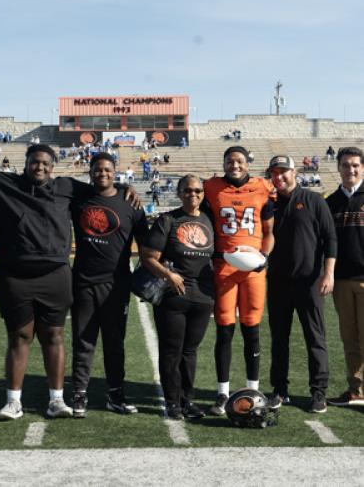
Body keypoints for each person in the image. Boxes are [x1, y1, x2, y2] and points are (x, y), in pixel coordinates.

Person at [0, 144, 139, 420]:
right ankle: (13, 401)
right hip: (15, 276)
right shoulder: (4, 183)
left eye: (46, 163)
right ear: (25, 163)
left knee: (54, 336)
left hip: (56, 275)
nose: (40, 167)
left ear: (53, 166)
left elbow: (101, 185)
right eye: (35, 162)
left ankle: (57, 400)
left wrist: (123, 187)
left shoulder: (66, 187)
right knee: (19, 337)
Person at [71, 153, 149, 417]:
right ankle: (79, 394)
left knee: (115, 342)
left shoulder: (131, 203)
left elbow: (149, 246)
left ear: (115, 172)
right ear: (90, 172)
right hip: (83, 281)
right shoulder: (78, 197)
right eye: (97, 169)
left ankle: (116, 394)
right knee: (84, 341)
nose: (102, 173)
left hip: (116, 284)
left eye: (107, 169)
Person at [204, 145, 275, 416]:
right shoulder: (211, 187)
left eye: (240, 161)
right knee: (224, 328)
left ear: (248, 163)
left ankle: (252, 389)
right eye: (230, 161)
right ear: (223, 163)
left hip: (254, 270)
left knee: (252, 328)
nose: (235, 166)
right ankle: (223, 393)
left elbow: (269, 232)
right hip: (223, 266)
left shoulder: (262, 188)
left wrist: (265, 256)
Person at [267, 155, 336, 413]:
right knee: (278, 339)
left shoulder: (314, 200)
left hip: (310, 282)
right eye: (275, 172)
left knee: (315, 338)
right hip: (277, 283)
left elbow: (330, 239)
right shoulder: (268, 205)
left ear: (294, 172)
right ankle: (279, 390)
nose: (280, 177)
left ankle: (319, 393)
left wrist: (328, 273)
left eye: (284, 172)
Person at [141, 175, 214, 419]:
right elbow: (149, 257)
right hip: (173, 296)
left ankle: (187, 401)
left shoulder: (209, 219)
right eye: (187, 190)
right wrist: (169, 275)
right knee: (172, 350)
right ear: (179, 193)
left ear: (203, 193)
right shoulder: (168, 220)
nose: (193, 194)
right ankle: (172, 402)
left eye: (197, 190)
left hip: (203, 296)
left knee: (190, 351)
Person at [326, 147, 364, 407]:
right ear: (338, 168)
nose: (350, 170)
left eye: (355, 165)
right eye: (345, 165)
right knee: (349, 338)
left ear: (362, 168)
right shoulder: (331, 202)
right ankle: (356, 390)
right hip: (341, 280)